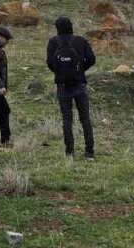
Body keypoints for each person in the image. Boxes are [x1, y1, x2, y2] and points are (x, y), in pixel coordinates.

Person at [45, 16, 97, 160]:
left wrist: (59, 73)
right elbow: (92, 59)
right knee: (85, 119)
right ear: (71, 26)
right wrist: (81, 70)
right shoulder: (80, 41)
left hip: (62, 86)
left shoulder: (53, 42)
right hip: (79, 84)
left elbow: (50, 62)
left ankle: (70, 152)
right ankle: (89, 152)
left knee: (67, 120)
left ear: (57, 28)